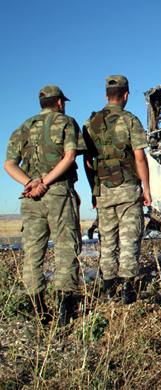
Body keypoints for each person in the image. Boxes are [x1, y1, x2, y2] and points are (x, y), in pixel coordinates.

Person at [4, 85, 85, 325]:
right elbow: (69, 156)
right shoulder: (66, 122)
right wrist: (46, 182)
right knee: (66, 249)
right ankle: (63, 314)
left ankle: (39, 311)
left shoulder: (24, 127)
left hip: (31, 198)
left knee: (32, 252)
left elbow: (9, 164)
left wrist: (31, 183)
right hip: (58, 193)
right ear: (59, 102)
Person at [83, 75, 151, 304]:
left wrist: (94, 188)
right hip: (128, 188)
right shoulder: (130, 120)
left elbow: (87, 161)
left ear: (106, 95)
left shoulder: (90, 123)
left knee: (108, 241)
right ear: (126, 95)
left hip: (103, 189)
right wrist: (147, 188)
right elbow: (140, 157)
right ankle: (128, 291)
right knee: (129, 239)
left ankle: (109, 289)